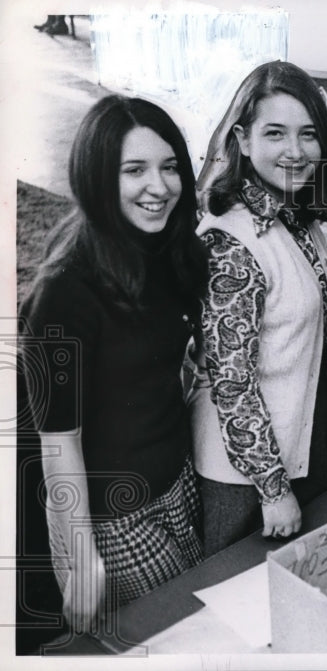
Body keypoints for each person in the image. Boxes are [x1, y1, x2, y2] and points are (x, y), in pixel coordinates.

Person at [21, 95, 208, 633]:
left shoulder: (168, 249)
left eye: (170, 167)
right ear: (98, 177)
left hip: (180, 481)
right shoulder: (64, 292)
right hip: (115, 515)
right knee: (181, 633)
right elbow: (58, 444)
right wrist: (80, 562)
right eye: (135, 170)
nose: (160, 186)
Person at [190, 61, 327, 555]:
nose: (295, 151)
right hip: (247, 478)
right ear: (243, 139)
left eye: (308, 134)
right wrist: (273, 488)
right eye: (275, 133)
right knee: (241, 595)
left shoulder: (297, 217)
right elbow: (232, 382)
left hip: (300, 446)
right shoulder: (230, 240)